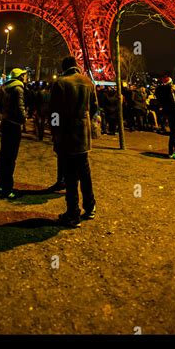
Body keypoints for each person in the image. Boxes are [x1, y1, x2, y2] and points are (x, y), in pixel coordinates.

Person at [49, 56, 98, 228]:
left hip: (66, 135)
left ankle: (72, 213)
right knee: (85, 173)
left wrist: (55, 132)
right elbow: (94, 108)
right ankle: (90, 207)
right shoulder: (88, 82)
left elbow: (54, 112)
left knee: (70, 176)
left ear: (63, 68)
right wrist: (83, 121)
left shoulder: (61, 83)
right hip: (83, 137)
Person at [0, 68, 27, 199]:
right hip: (14, 125)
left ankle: (2, 185)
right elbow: (20, 107)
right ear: (20, 77)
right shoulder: (18, 89)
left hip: (5, 123)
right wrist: (24, 119)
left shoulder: (5, 88)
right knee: (11, 158)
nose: (25, 77)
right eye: (24, 75)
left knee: (4, 156)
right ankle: (7, 189)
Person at [156, 75, 175, 160]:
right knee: (173, 133)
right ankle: (171, 151)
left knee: (173, 132)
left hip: (172, 112)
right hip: (171, 112)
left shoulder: (170, 91)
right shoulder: (166, 91)